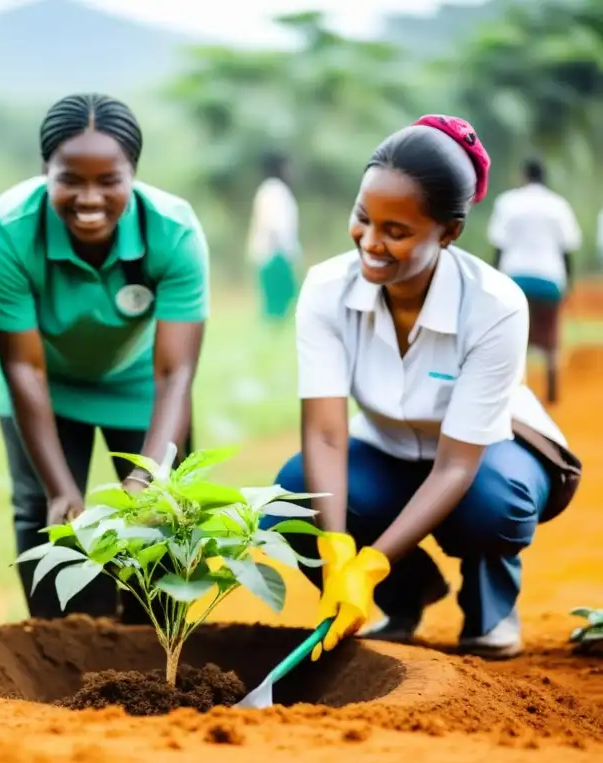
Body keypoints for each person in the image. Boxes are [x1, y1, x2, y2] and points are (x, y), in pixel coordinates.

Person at [270, 115, 574, 661]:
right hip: (387, 449)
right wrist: (339, 553)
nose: (371, 242)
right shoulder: (325, 288)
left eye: (397, 231)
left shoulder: (495, 305)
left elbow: (458, 465)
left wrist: (372, 559)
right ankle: (400, 599)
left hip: (485, 456)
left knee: (494, 505)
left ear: (450, 232)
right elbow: (325, 435)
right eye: (364, 218)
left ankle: (490, 606)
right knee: (294, 498)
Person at [0, 93, 209, 622]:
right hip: (44, 387)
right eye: (69, 179)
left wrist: (145, 482)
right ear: (44, 171)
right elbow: (22, 367)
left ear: (134, 174)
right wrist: (61, 490)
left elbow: (176, 374)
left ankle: (158, 660)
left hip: (140, 384)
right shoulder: (8, 230)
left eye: (109, 180)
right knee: (47, 517)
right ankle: (72, 659)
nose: (89, 198)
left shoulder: (172, 232)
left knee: (166, 520)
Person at [487, 157, 582, 403]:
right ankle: (552, 391)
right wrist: (568, 283)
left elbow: (498, 246)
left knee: (516, 336)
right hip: (550, 279)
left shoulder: (507, 203)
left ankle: (518, 392)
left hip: (514, 278)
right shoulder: (558, 205)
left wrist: (494, 281)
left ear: (523, 175)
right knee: (550, 338)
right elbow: (567, 249)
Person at [245, 152, 300, 323]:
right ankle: (274, 331)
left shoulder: (268, 190)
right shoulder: (275, 191)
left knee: (278, 298)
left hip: (270, 253)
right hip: (275, 253)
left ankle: (274, 331)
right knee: (280, 298)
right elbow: (275, 225)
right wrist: (287, 251)